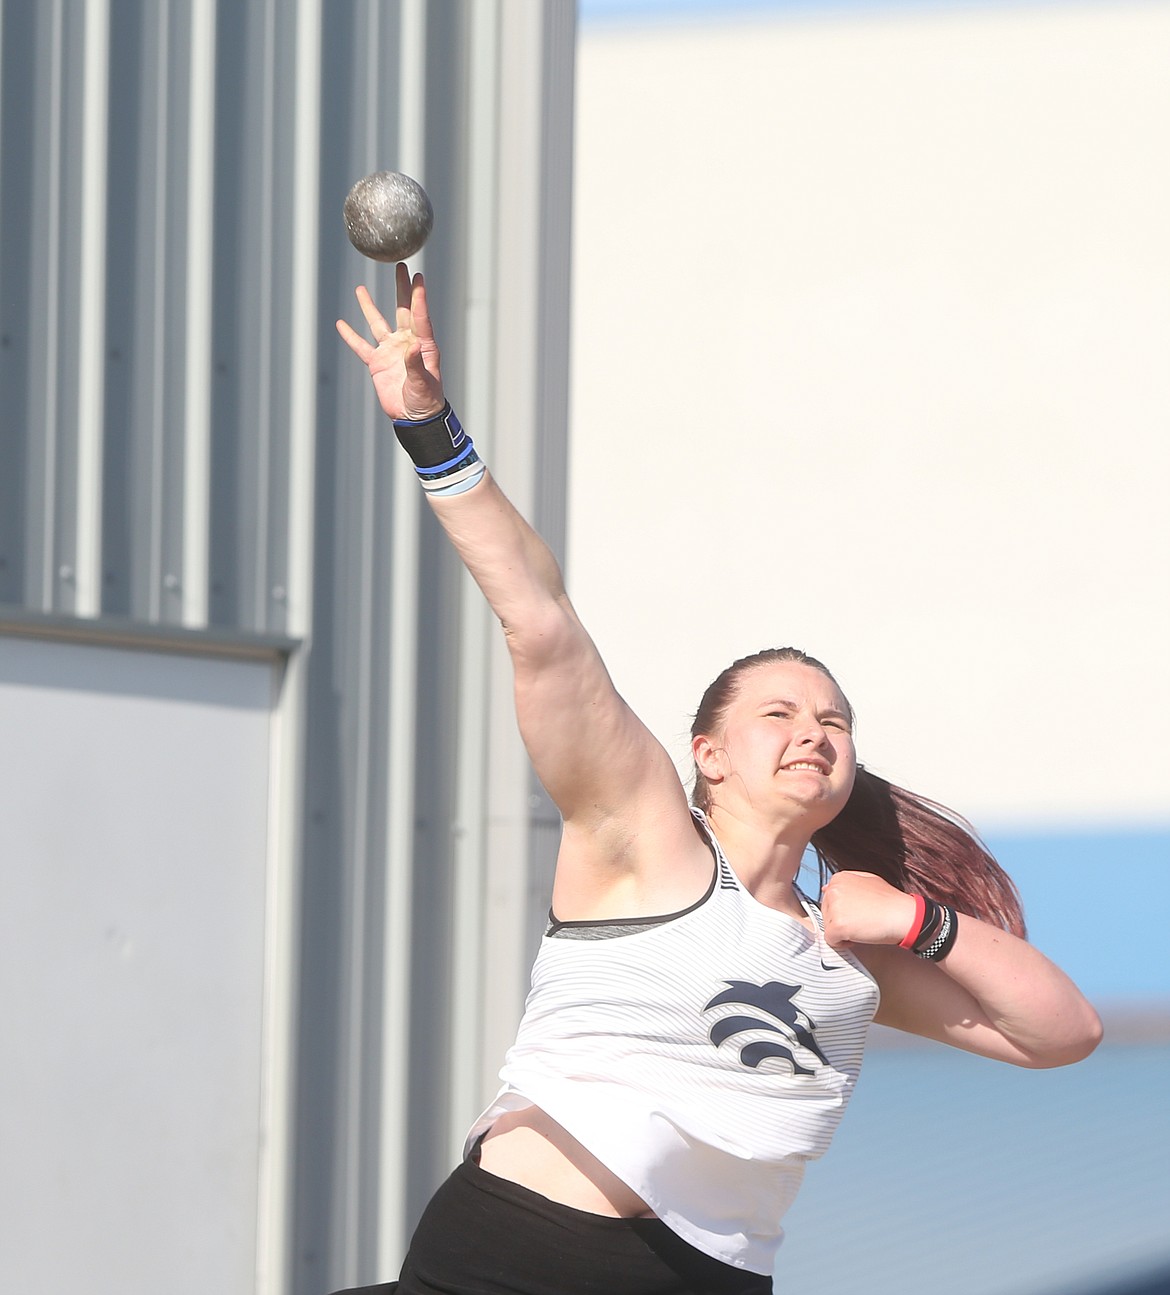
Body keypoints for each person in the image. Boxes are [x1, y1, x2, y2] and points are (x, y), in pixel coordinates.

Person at [333, 265, 1102, 1295]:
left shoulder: (848, 950)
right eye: (777, 714)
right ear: (707, 753)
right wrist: (431, 428)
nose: (813, 732)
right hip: (514, 1254)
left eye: (834, 720)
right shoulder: (644, 841)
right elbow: (542, 623)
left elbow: (1063, 1034)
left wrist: (923, 923)